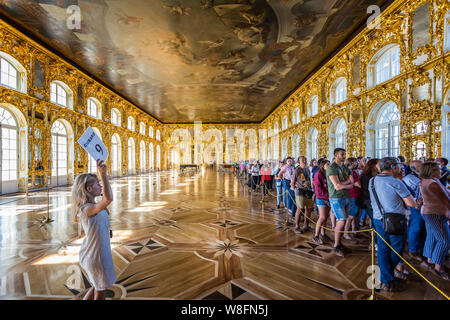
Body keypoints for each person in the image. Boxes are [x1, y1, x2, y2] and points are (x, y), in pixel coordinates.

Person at [369, 157, 417, 292]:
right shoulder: (396, 182)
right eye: (398, 166)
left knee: (383, 249)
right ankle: (386, 278)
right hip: (396, 220)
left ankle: (386, 279)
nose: (400, 168)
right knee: (397, 249)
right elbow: (411, 203)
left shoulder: (372, 181)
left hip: (378, 219)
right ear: (392, 167)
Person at [72, 160, 116, 300]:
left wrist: (106, 230)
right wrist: (103, 174)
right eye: (98, 184)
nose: (100, 185)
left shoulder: (93, 205)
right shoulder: (86, 209)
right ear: (89, 189)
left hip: (98, 251)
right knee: (100, 291)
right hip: (95, 256)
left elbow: (103, 213)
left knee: (97, 286)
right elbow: (108, 199)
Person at [419, 161, 450, 280]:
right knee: (444, 241)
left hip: (429, 212)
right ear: (431, 171)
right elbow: (445, 200)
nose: (441, 171)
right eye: (438, 169)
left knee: (432, 237)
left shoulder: (427, 181)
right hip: (435, 213)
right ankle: (438, 268)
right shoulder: (432, 183)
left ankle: (430, 261)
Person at [326, 148, 354, 257]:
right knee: (341, 221)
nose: (344, 156)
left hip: (346, 196)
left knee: (344, 220)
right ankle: (336, 245)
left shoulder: (346, 168)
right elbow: (337, 187)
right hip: (336, 197)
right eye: (342, 154)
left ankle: (340, 243)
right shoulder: (331, 168)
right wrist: (347, 184)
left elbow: (352, 182)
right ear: (335, 155)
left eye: (345, 154)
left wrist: (345, 184)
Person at [402, 160, 425, 263]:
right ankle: (413, 250)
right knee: (416, 227)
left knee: (422, 228)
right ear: (413, 168)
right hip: (415, 206)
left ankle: (421, 248)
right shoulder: (408, 178)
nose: (423, 167)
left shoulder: (422, 176)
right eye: (421, 166)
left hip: (425, 206)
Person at [291, 156, 314, 233]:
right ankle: (297, 226)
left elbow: (308, 180)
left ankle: (306, 225)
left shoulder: (307, 169)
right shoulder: (297, 170)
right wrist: (295, 192)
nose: (304, 161)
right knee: (300, 209)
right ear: (299, 161)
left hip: (308, 190)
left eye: (305, 159)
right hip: (299, 191)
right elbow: (292, 183)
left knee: (308, 209)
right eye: (302, 160)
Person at [312, 159, 333, 244]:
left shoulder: (327, 173)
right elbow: (318, 189)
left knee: (326, 217)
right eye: (328, 164)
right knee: (322, 217)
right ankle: (316, 236)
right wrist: (327, 197)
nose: (329, 166)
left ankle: (323, 234)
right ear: (322, 166)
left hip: (328, 198)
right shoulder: (318, 174)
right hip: (321, 198)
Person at [356, 158, 379, 228]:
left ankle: (375, 237)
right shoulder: (367, 176)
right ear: (374, 166)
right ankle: (376, 237)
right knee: (375, 220)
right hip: (368, 200)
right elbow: (366, 190)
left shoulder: (372, 174)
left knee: (375, 221)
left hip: (370, 200)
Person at [344, 158, 361, 243]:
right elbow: (356, 183)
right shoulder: (349, 172)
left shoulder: (352, 171)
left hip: (355, 194)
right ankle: (346, 233)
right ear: (351, 163)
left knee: (354, 214)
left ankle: (354, 229)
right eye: (356, 162)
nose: (357, 163)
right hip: (352, 194)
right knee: (350, 216)